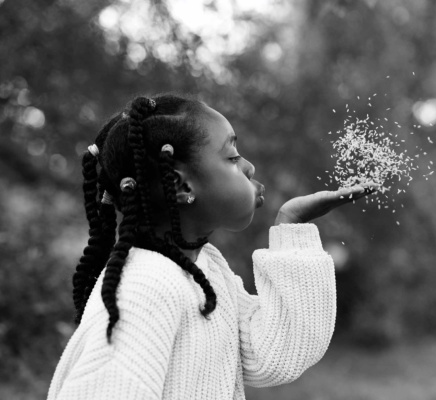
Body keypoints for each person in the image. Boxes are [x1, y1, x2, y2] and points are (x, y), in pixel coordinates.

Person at [47, 94, 376, 400]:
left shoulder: (206, 270)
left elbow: (274, 354)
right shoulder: (145, 289)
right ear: (181, 184)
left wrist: (291, 226)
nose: (249, 167)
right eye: (232, 156)